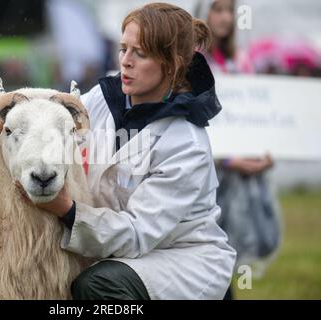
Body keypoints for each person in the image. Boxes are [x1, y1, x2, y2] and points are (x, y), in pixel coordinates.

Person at [32, 3, 236, 300]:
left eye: (139, 53)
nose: (125, 62)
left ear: (172, 63)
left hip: (181, 260)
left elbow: (137, 233)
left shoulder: (187, 144)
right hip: (119, 248)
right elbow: (58, 120)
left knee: (98, 286)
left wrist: (67, 209)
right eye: (123, 49)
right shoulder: (104, 98)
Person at [196, 0, 281, 299]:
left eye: (230, 10)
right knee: (208, 246)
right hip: (210, 170)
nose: (224, 17)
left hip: (242, 173)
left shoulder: (241, 61)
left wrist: (265, 151)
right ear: (203, 13)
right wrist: (229, 158)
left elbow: (255, 112)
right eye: (217, 9)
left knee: (234, 244)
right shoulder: (195, 60)